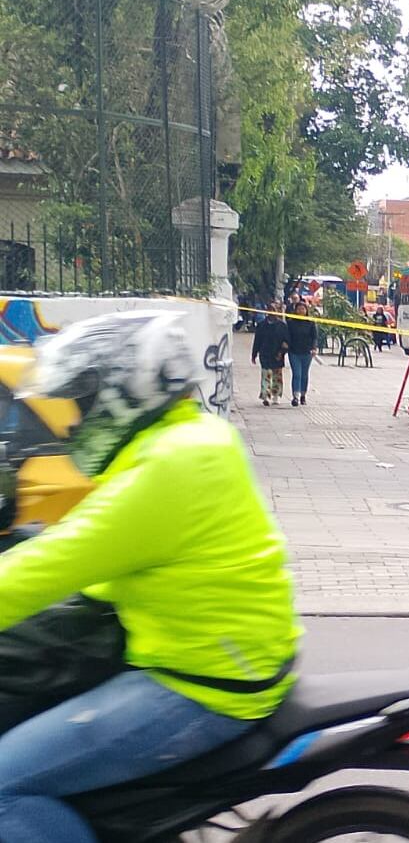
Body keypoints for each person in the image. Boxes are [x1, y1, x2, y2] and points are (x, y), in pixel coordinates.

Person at [0, 311, 299, 843]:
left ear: (122, 392)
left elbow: (54, 564)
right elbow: (102, 551)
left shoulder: (166, 467)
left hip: (197, 685)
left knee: (5, 786)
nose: (75, 422)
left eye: (84, 403)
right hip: (236, 658)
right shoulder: (196, 437)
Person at [250, 301, 289, 407]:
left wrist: (282, 352)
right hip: (265, 353)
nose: (272, 312)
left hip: (278, 354)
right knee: (265, 375)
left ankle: (276, 395)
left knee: (277, 376)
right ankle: (265, 396)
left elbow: (286, 341)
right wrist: (254, 354)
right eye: (270, 310)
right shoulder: (262, 325)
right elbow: (257, 340)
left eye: (274, 310)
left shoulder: (282, 325)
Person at [285, 300, 317, 407]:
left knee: (304, 374)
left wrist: (314, 348)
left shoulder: (310, 322)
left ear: (306, 310)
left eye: (303, 309)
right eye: (299, 309)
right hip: (294, 351)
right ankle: (296, 396)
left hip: (307, 352)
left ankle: (303, 394)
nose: (301, 311)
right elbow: (287, 335)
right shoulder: (291, 322)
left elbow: (314, 337)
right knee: (296, 374)